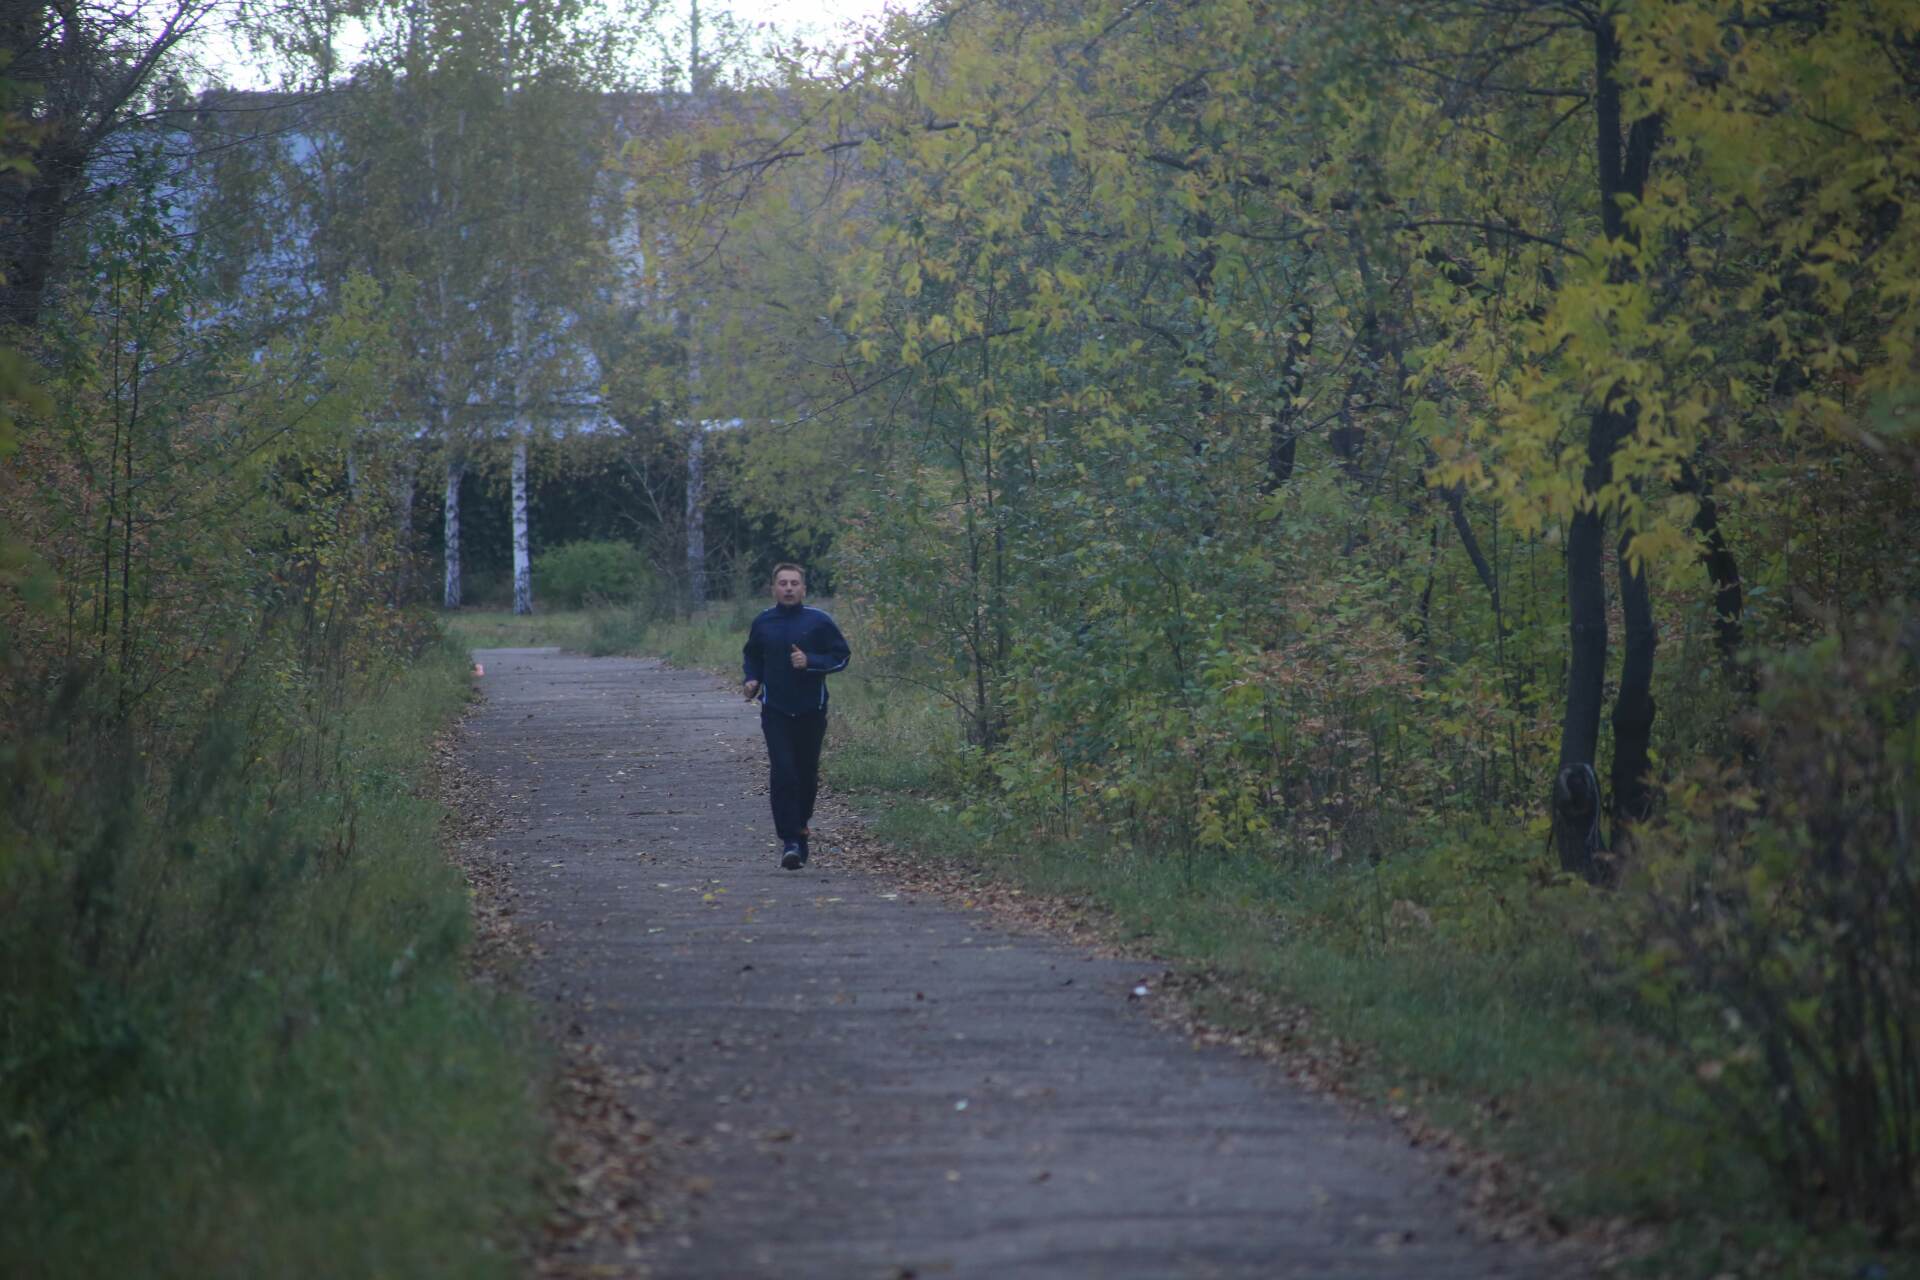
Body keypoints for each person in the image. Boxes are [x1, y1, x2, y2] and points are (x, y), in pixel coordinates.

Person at [741, 563, 850, 870]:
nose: (788, 588)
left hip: (811, 710)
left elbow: (841, 656)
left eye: (794, 583)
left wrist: (810, 661)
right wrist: (752, 679)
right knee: (784, 772)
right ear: (773, 588)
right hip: (775, 709)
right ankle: (789, 840)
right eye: (783, 583)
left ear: (803, 589)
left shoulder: (819, 621)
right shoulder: (763, 621)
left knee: (805, 774)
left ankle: (801, 828)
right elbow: (752, 655)